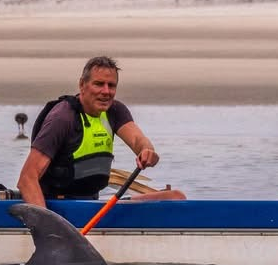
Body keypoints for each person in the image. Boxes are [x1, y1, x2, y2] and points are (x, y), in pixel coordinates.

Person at [17, 56, 186, 206]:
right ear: (82, 85)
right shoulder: (63, 118)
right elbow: (27, 178)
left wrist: (147, 151)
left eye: (111, 86)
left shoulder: (114, 111)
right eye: (98, 84)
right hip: (60, 205)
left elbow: (137, 140)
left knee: (176, 197)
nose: (106, 91)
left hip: (94, 202)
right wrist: (47, 227)